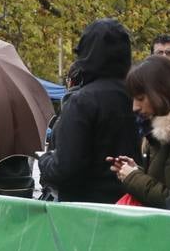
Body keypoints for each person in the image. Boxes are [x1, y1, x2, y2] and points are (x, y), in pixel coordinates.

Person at [36, 18, 139, 202]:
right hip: (128, 204)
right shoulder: (138, 96)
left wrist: (45, 161)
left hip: (85, 211)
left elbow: (65, 168)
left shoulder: (83, 101)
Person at [108, 55, 170, 208]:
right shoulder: (161, 129)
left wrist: (133, 177)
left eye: (141, 98)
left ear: (163, 92)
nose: (135, 107)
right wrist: (135, 171)